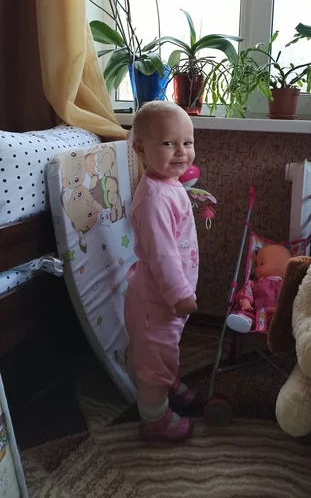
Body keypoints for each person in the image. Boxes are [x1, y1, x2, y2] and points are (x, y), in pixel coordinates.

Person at [125, 102, 200, 443]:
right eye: (169, 144)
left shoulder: (168, 185)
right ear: (140, 148)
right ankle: (154, 419)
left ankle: (168, 380)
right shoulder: (153, 198)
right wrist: (179, 294)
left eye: (188, 142)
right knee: (156, 358)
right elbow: (162, 254)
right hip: (157, 303)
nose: (182, 152)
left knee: (166, 348)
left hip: (165, 304)